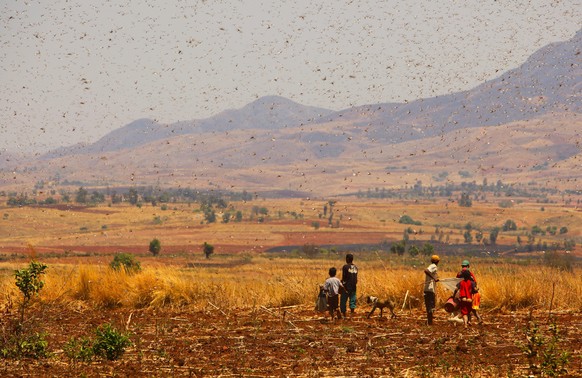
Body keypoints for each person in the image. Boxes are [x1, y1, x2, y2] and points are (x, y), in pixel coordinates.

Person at [456, 260, 482, 324]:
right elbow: (475, 283)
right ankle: (474, 320)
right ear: (468, 266)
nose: (464, 267)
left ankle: (468, 321)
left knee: (465, 309)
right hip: (470, 294)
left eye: (464, 266)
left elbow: (456, 281)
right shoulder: (470, 274)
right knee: (470, 308)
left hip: (464, 295)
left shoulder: (460, 274)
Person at [340, 253, 358, 320]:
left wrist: (342, 285)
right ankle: (352, 315)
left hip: (346, 286)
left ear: (347, 259)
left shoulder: (345, 267)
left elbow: (344, 277)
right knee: (352, 300)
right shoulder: (356, 267)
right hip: (354, 287)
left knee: (343, 301)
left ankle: (344, 315)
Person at [423, 254, 440, 325]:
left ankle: (429, 322)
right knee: (431, 306)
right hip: (430, 290)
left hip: (427, 289)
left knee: (429, 307)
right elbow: (426, 271)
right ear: (437, 261)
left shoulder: (432, 266)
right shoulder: (434, 266)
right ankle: (430, 322)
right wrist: (434, 278)